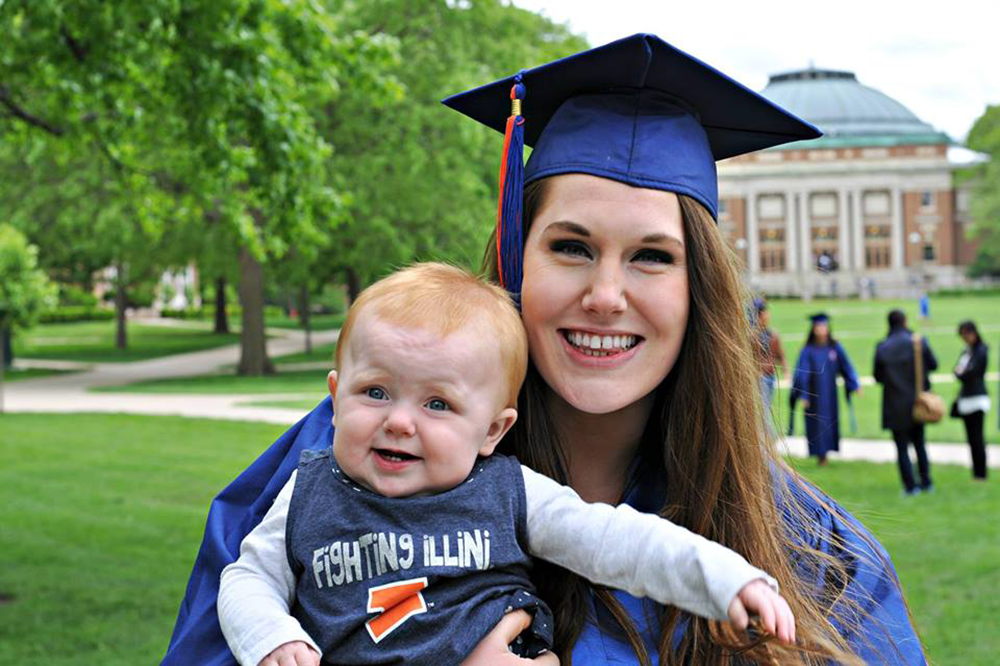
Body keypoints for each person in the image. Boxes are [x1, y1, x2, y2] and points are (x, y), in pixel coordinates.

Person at [164, 35, 926, 665]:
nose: (605, 294)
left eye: (652, 257)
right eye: (570, 246)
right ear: (515, 258)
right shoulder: (338, 466)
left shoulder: (807, 549)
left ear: (701, 290)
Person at [217, 262, 791, 666]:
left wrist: (724, 579)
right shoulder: (308, 492)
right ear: (335, 395)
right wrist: (270, 636)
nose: (399, 421)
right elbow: (247, 577)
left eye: (437, 404)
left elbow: (615, 540)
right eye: (374, 393)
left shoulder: (508, 493)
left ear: (493, 430)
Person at [873, 310, 938, 494]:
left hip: (894, 404)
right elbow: (933, 364)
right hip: (917, 402)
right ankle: (926, 482)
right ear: (905, 321)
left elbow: (878, 377)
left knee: (901, 447)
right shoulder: (918, 342)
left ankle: (910, 486)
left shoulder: (883, 347)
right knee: (919, 443)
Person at [791, 313, 861, 466]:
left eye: (824, 326)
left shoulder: (834, 348)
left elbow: (846, 367)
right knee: (817, 424)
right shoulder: (808, 350)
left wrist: (854, 384)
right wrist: (804, 394)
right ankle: (821, 456)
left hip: (830, 394)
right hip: (814, 395)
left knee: (829, 422)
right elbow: (802, 373)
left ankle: (827, 454)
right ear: (813, 329)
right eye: (818, 326)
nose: (821, 329)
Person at [953, 320, 990, 480]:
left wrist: (961, 373)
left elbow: (971, 373)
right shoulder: (966, 351)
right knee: (971, 439)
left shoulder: (981, 350)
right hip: (965, 399)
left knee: (977, 438)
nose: (965, 338)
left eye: (966, 334)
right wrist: (961, 373)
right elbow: (957, 371)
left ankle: (981, 473)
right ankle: (976, 472)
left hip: (977, 399)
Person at [752, 297, 786, 432]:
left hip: (770, 377)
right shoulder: (752, 336)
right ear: (758, 315)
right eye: (765, 312)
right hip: (759, 378)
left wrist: (786, 370)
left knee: (766, 407)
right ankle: (768, 439)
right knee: (764, 410)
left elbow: (780, 354)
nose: (768, 315)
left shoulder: (772, 334)